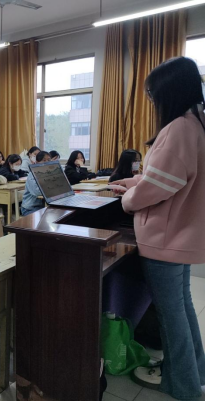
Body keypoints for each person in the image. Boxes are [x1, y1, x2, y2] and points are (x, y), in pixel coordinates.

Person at [111, 57, 205, 399]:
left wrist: (128, 197)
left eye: (152, 95)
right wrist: (134, 181)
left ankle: (183, 386)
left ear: (169, 91)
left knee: (171, 315)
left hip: (165, 237)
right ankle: (197, 371)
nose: (151, 102)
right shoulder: (197, 122)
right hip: (184, 235)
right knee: (182, 307)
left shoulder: (178, 128)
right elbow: (171, 177)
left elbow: (157, 188)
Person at [21, 151, 51, 216]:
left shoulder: (48, 173)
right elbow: (37, 192)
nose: (47, 162)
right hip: (30, 208)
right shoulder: (32, 174)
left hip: (43, 206)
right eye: (44, 160)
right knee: (46, 218)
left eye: (49, 160)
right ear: (37, 162)